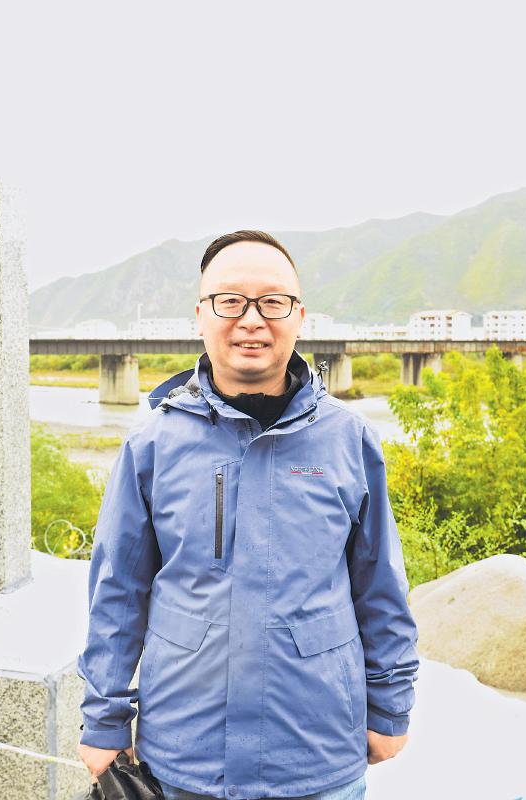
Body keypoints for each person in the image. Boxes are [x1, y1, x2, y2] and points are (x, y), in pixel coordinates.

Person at [76, 230, 419, 800]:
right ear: (201, 316)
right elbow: (118, 591)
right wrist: (103, 718)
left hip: (317, 752)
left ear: (299, 316)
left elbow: (380, 585)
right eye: (230, 301)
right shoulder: (153, 443)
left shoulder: (348, 438)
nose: (252, 320)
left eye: (272, 302)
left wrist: (390, 705)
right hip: (184, 752)